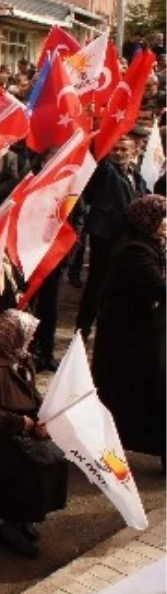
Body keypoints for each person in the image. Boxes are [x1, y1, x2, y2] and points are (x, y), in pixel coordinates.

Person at [0, 310, 69, 558]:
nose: (30, 341)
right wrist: (21, 424)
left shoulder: (22, 357)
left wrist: (42, 418)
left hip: (24, 426)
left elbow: (32, 393)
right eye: (27, 335)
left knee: (55, 459)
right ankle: (9, 523)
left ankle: (27, 515)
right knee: (25, 470)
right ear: (11, 334)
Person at [92, 195, 167, 467]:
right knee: (130, 392)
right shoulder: (135, 250)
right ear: (148, 220)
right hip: (126, 337)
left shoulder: (151, 245)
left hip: (144, 332)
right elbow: (159, 288)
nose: (166, 223)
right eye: (162, 217)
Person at [77, 136, 148, 338]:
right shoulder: (106, 171)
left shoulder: (136, 176)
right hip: (106, 237)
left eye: (123, 149)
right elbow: (98, 161)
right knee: (97, 282)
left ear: (134, 152)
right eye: (114, 149)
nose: (118, 153)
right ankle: (83, 328)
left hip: (129, 238)